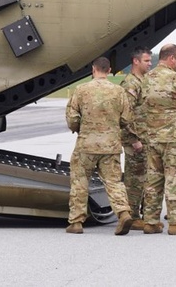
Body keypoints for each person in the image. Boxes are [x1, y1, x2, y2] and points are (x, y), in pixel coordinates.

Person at [65, 56, 136, 236]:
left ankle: (76, 222)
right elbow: (127, 119)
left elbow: (72, 119)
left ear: (93, 69)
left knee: (80, 182)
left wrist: (80, 128)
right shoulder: (119, 92)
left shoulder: (81, 90)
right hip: (110, 145)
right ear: (109, 70)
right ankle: (123, 213)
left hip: (86, 145)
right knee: (113, 182)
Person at [140, 43, 176, 235]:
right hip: (173, 138)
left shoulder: (146, 78)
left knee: (153, 180)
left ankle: (150, 221)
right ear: (171, 58)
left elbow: (141, 104)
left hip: (152, 138)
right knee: (175, 179)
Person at [120, 47, 152, 230]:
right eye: (146, 61)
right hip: (135, 140)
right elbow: (125, 115)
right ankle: (132, 216)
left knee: (144, 178)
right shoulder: (130, 84)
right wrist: (133, 139)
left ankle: (142, 214)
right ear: (136, 61)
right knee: (134, 179)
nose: (150, 64)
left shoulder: (143, 81)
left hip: (145, 137)